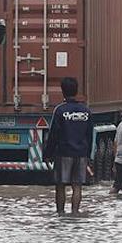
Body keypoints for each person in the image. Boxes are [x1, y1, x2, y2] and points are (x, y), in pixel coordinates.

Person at [44, 77, 93, 214]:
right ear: (76, 91)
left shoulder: (60, 110)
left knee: (60, 185)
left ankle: (60, 214)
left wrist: (48, 154)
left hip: (63, 153)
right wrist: (88, 155)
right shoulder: (85, 111)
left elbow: (53, 134)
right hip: (81, 153)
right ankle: (75, 213)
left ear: (62, 91)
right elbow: (90, 135)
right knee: (77, 186)